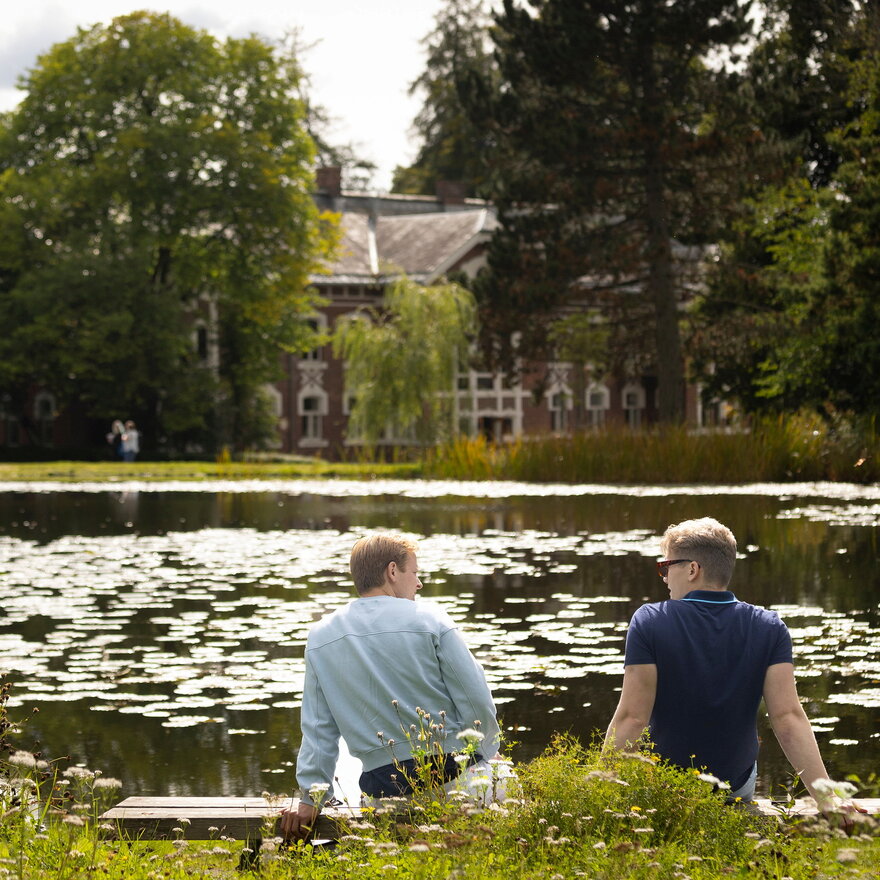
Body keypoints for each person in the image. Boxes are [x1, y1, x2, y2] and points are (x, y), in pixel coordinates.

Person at [605, 516, 857, 819]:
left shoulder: (650, 621)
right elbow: (788, 718)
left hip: (664, 787)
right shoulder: (769, 626)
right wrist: (827, 798)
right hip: (734, 788)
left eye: (666, 567)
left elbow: (632, 718)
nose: (664, 577)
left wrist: (600, 792)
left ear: (692, 569)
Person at [280, 533, 501, 841]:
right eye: (415, 573)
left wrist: (311, 797)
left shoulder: (321, 636)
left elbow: (318, 729)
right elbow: (476, 700)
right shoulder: (430, 619)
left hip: (383, 793)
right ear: (393, 571)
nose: (419, 583)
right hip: (458, 780)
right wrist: (486, 750)